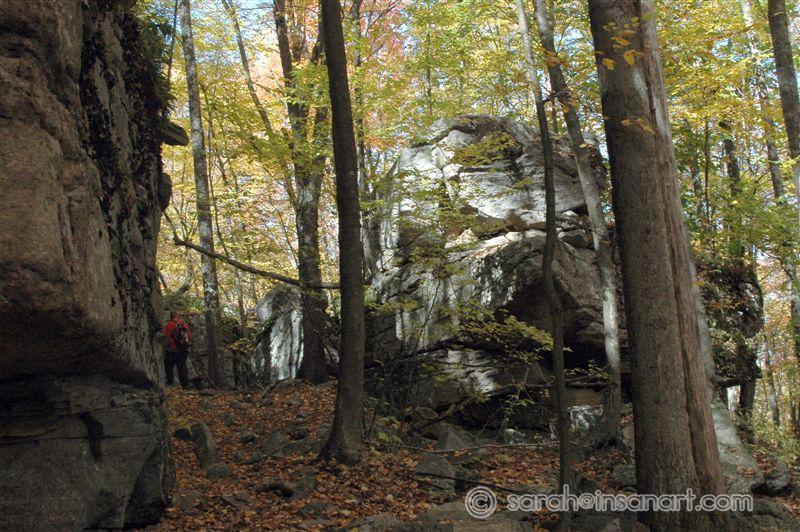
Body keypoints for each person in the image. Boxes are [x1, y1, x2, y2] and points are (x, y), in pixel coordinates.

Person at [163, 311, 192, 387]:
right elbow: (189, 336)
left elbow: (166, 338)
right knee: (182, 367)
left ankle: (170, 383)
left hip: (173, 350)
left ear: (171, 316)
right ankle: (185, 386)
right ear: (178, 316)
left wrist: (165, 348)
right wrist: (187, 347)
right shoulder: (184, 325)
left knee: (168, 366)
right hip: (184, 349)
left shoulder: (169, 325)